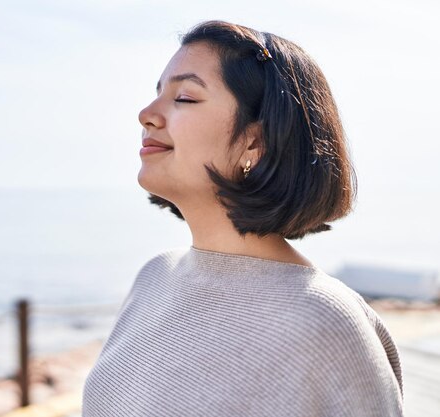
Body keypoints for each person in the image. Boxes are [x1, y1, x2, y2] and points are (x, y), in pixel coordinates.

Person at [82, 20, 404, 416]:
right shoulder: (154, 277)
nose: (146, 115)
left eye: (184, 97)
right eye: (157, 94)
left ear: (255, 140)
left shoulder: (324, 322)